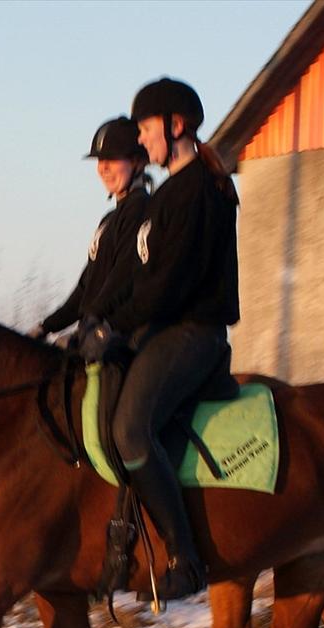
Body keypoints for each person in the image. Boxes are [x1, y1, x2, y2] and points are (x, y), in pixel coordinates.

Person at [101, 77, 241, 601]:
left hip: (193, 335)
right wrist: (97, 322)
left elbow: (166, 285)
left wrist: (114, 326)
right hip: (163, 328)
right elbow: (139, 281)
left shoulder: (198, 192)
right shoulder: (169, 195)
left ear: (175, 126)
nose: (140, 139)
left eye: (145, 128)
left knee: (132, 430)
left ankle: (185, 557)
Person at [31, 117, 150, 341]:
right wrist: (46, 326)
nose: (103, 168)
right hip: (93, 329)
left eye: (112, 159)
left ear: (139, 162)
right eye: (100, 160)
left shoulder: (140, 210)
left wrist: (87, 327)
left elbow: (122, 279)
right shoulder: (109, 219)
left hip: (116, 337)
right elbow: (86, 287)